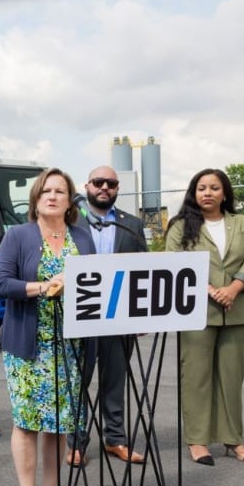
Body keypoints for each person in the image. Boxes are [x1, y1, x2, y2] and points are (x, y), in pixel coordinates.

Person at [0, 167, 94, 486]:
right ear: (36, 199)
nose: (52, 196)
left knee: (58, 423)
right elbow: (2, 283)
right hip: (28, 346)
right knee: (27, 422)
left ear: (70, 201)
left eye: (60, 191)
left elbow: (95, 282)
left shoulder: (82, 236)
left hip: (70, 346)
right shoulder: (18, 235)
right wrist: (45, 286)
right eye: (45, 191)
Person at [165, 168, 244, 466]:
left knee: (232, 378)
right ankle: (197, 440)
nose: (207, 193)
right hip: (196, 310)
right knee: (196, 377)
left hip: (236, 309)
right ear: (194, 193)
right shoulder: (181, 226)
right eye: (202, 188)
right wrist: (208, 289)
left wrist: (233, 288)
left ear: (224, 193)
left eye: (214, 187)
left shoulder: (242, 223)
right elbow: (174, 262)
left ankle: (233, 440)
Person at [67, 166, 148, 466]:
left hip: (119, 316)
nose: (104, 188)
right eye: (98, 182)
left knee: (114, 381)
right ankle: (75, 444)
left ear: (117, 189)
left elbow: (142, 272)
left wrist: (141, 316)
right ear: (87, 185)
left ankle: (115, 439)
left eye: (111, 184)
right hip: (82, 314)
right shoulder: (70, 221)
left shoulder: (132, 225)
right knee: (78, 383)